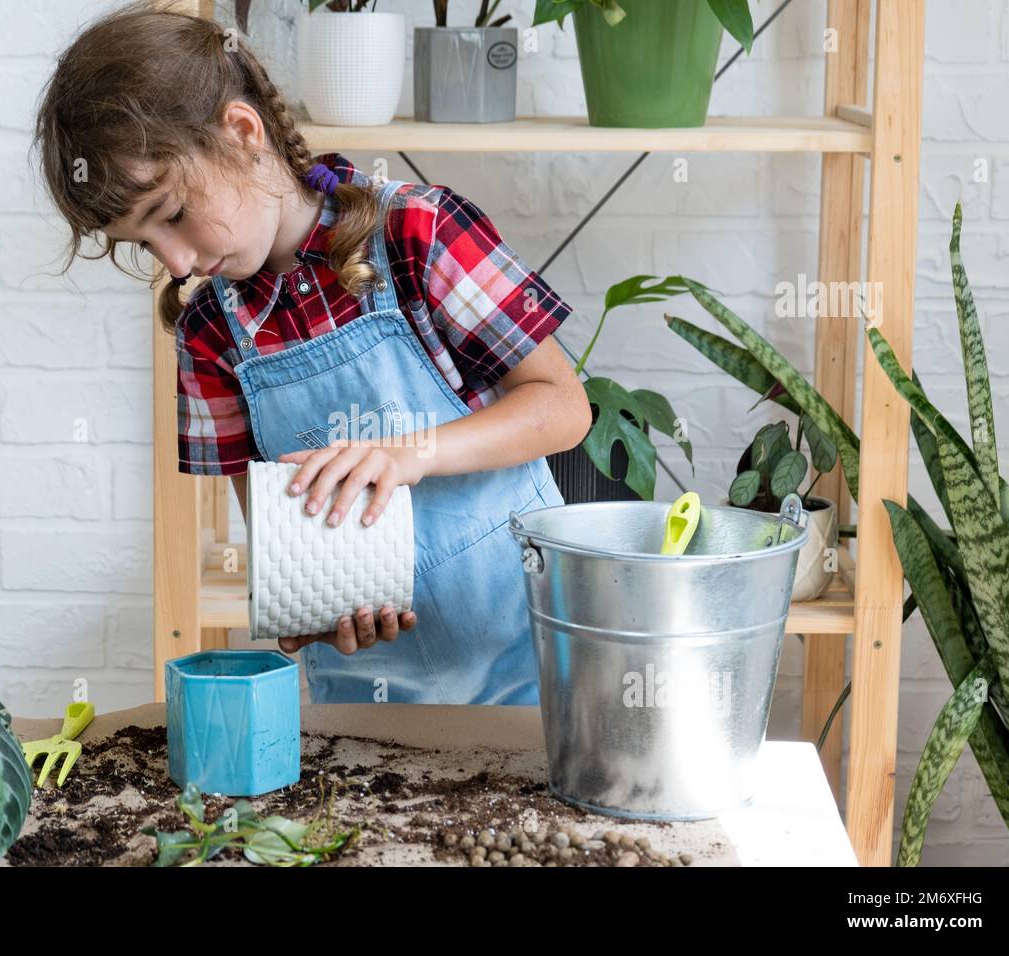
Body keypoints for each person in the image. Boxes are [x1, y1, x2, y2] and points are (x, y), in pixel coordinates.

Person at [34, 2, 591, 704]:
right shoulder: (210, 334)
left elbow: (563, 408)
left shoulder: (419, 233)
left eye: (172, 215)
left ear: (242, 132)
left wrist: (407, 453)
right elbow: (277, 546)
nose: (176, 263)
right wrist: (311, 609)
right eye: (144, 243)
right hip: (368, 702)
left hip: (532, 668)